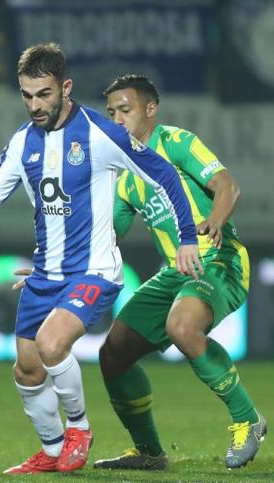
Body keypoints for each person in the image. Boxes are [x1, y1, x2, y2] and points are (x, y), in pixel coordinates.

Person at [0, 43, 201, 474]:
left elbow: (164, 175)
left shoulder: (100, 134)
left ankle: (79, 429)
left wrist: (188, 237)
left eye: (43, 94)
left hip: (95, 272)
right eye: (26, 95)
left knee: (50, 345)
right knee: (27, 370)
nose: (35, 105)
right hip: (46, 274)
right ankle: (50, 449)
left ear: (65, 88)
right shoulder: (22, 142)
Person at [91, 74, 266, 470]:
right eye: (111, 112)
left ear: (150, 109)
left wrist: (215, 221)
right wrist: (58, 262)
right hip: (175, 272)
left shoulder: (176, 143)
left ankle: (248, 419)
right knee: (113, 354)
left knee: (182, 327)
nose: (116, 119)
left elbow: (228, 186)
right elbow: (109, 236)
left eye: (125, 110)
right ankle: (150, 453)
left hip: (218, 260)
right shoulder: (123, 175)